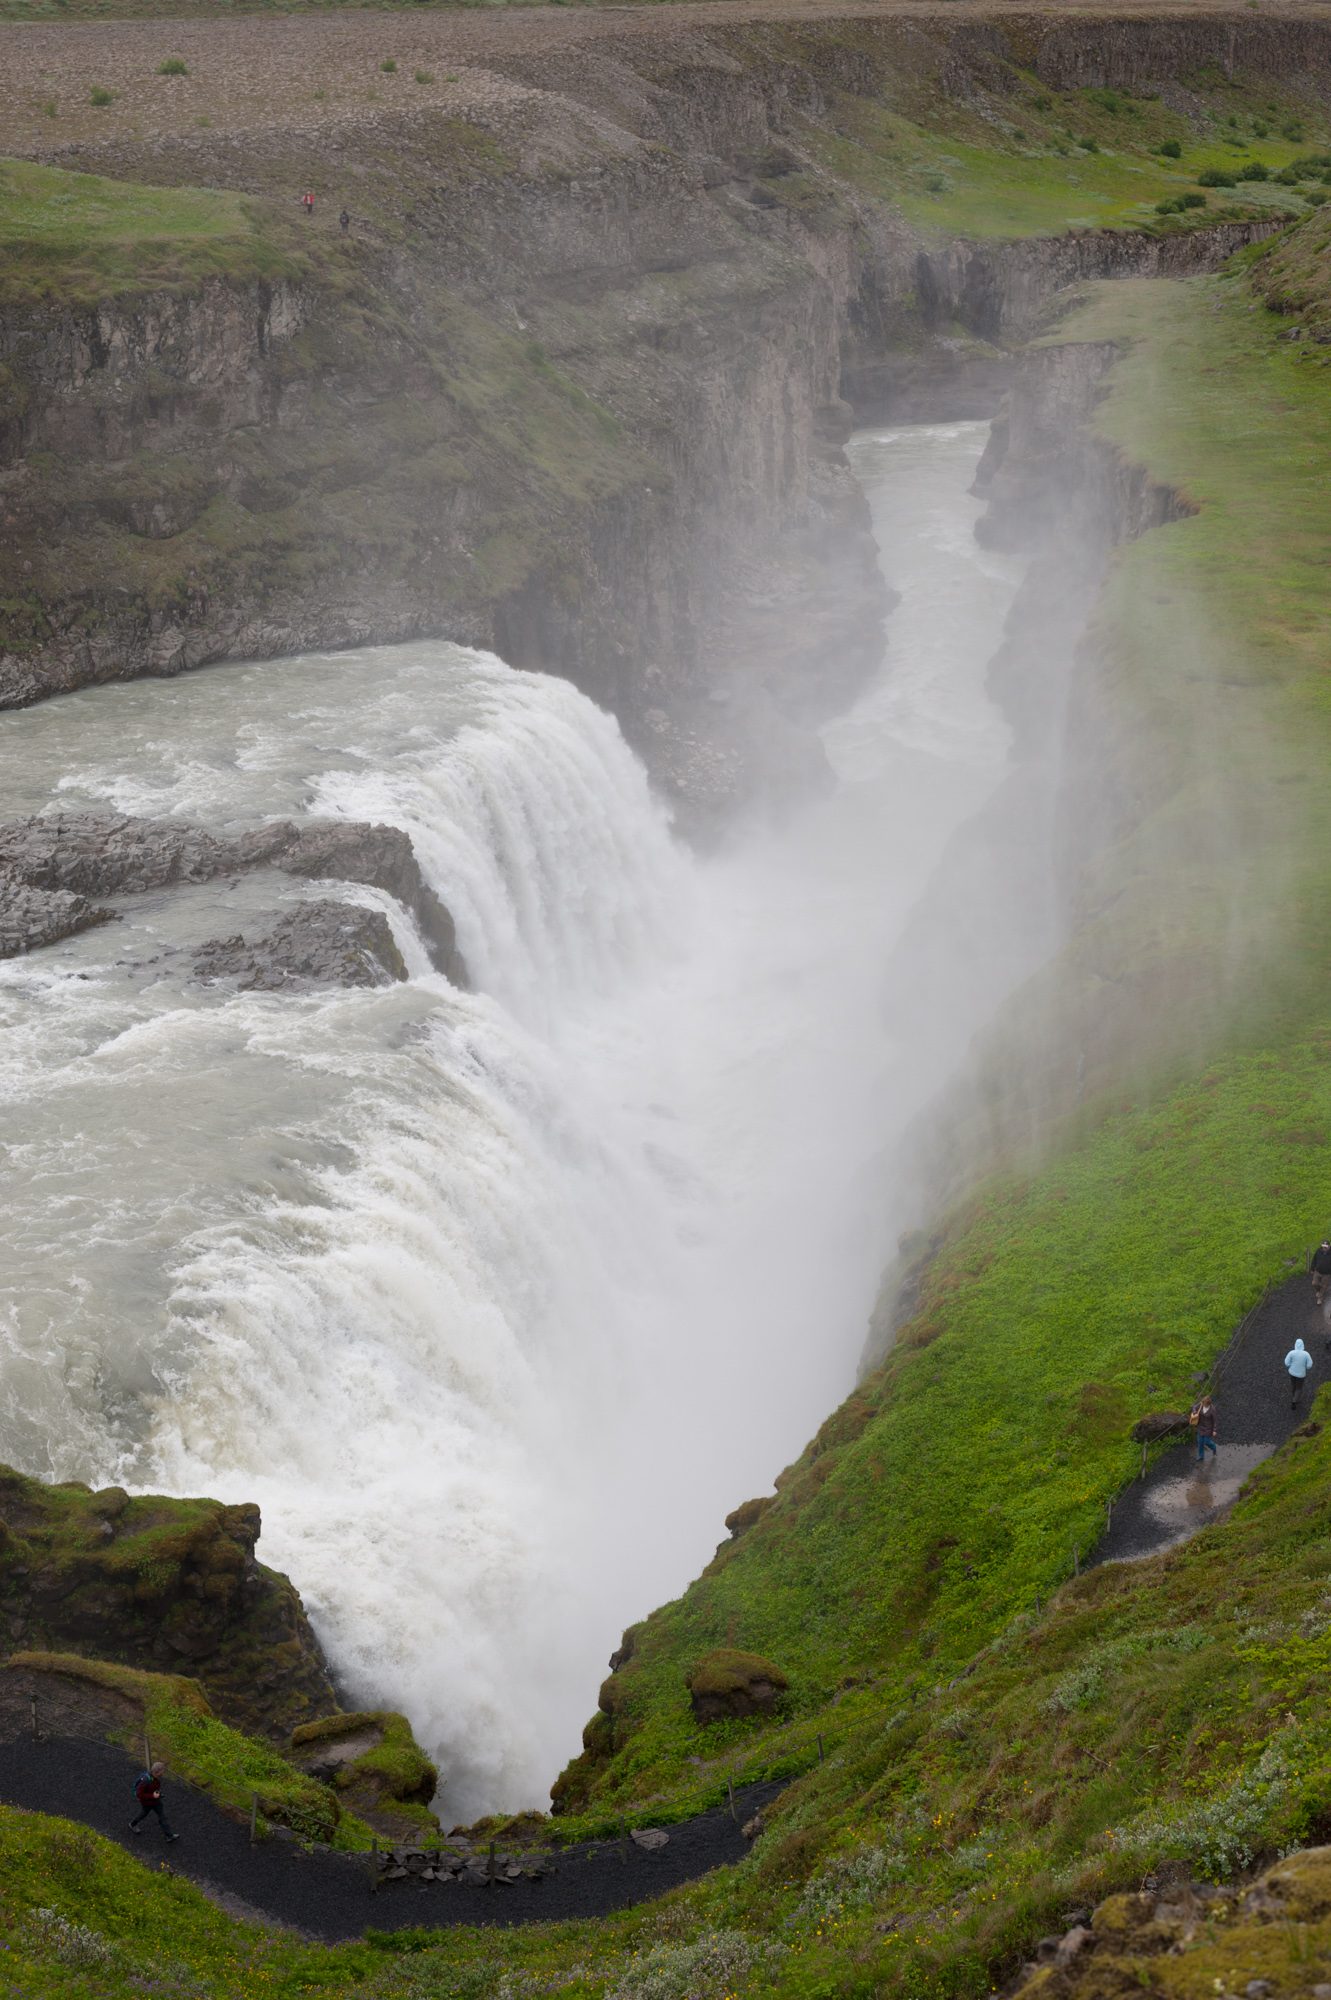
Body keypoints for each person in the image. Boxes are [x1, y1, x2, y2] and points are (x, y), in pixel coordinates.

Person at [130, 1762, 178, 1843]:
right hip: (147, 1803)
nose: (163, 1773)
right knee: (144, 1813)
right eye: (162, 1771)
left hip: (156, 1801)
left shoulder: (153, 1777)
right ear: (157, 1772)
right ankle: (132, 1824)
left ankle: (169, 1836)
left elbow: (153, 1788)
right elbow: (139, 1794)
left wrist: (158, 1795)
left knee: (162, 1816)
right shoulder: (145, 1780)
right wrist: (153, 1796)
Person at [1285, 1337, 1315, 1409]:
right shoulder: (1306, 1354)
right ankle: (1294, 1401)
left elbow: (1286, 1362)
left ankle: (1294, 1396)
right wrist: (1306, 1367)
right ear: (1303, 1345)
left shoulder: (1291, 1352)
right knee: (1299, 1388)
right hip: (1301, 1374)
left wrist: (1290, 1366)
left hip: (1292, 1373)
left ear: (1295, 1344)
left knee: (1293, 1385)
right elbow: (1309, 1364)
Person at [1190, 1394, 1218, 1463]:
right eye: (1202, 1402)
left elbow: (1215, 1421)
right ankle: (1201, 1456)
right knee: (1200, 1442)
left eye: (1204, 1403)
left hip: (1208, 1428)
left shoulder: (1212, 1410)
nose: (1202, 1404)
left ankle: (1214, 1447)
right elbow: (1194, 1407)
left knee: (1207, 1442)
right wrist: (1194, 1412)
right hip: (1200, 1427)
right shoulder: (1201, 1404)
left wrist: (1214, 1430)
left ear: (1208, 1404)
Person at [1312, 1238, 1331, 1309]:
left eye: (1326, 1247)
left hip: (1327, 1273)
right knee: (1314, 1283)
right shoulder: (1318, 1251)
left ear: (1329, 1246)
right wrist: (1312, 1268)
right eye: (1323, 1246)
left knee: (1324, 1286)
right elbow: (1314, 1259)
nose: (1324, 1248)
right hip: (1318, 1271)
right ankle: (1318, 1291)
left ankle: (1319, 1298)